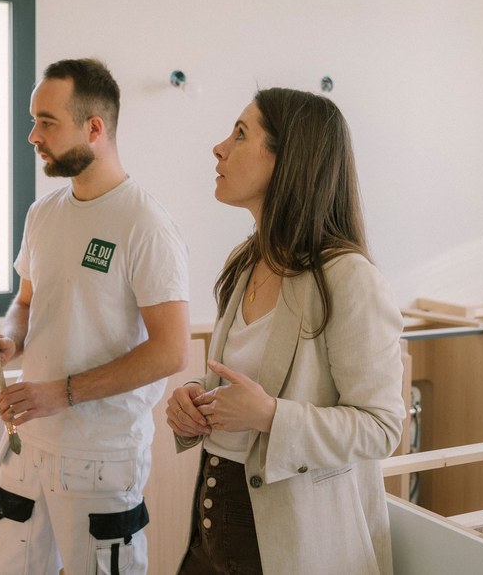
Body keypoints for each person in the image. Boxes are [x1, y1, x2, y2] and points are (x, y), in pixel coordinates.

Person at [165, 88, 405, 574]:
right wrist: (194, 401)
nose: (219, 148)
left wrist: (272, 415)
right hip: (213, 514)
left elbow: (382, 427)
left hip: (290, 537)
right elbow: (241, 389)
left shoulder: (348, 279)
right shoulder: (246, 262)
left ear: (287, 160)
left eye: (240, 134)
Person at [0, 57, 191, 575]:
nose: (33, 135)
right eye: (34, 120)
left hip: (100, 456)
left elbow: (171, 350)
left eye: (47, 122)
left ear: (94, 128)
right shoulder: (42, 214)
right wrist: (10, 341)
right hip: (25, 446)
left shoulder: (146, 225)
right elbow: (26, 304)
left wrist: (61, 392)